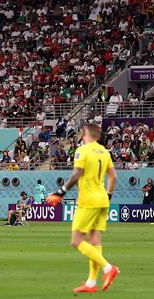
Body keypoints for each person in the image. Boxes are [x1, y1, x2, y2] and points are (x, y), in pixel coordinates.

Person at [45, 123, 119, 293]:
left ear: (85, 134)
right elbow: (113, 177)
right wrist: (108, 196)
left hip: (88, 201)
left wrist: (60, 192)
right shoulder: (104, 152)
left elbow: (77, 173)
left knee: (76, 241)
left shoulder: (83, 150)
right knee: (94, 240)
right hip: (102, 199)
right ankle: (91, 283)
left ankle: (108, 268)